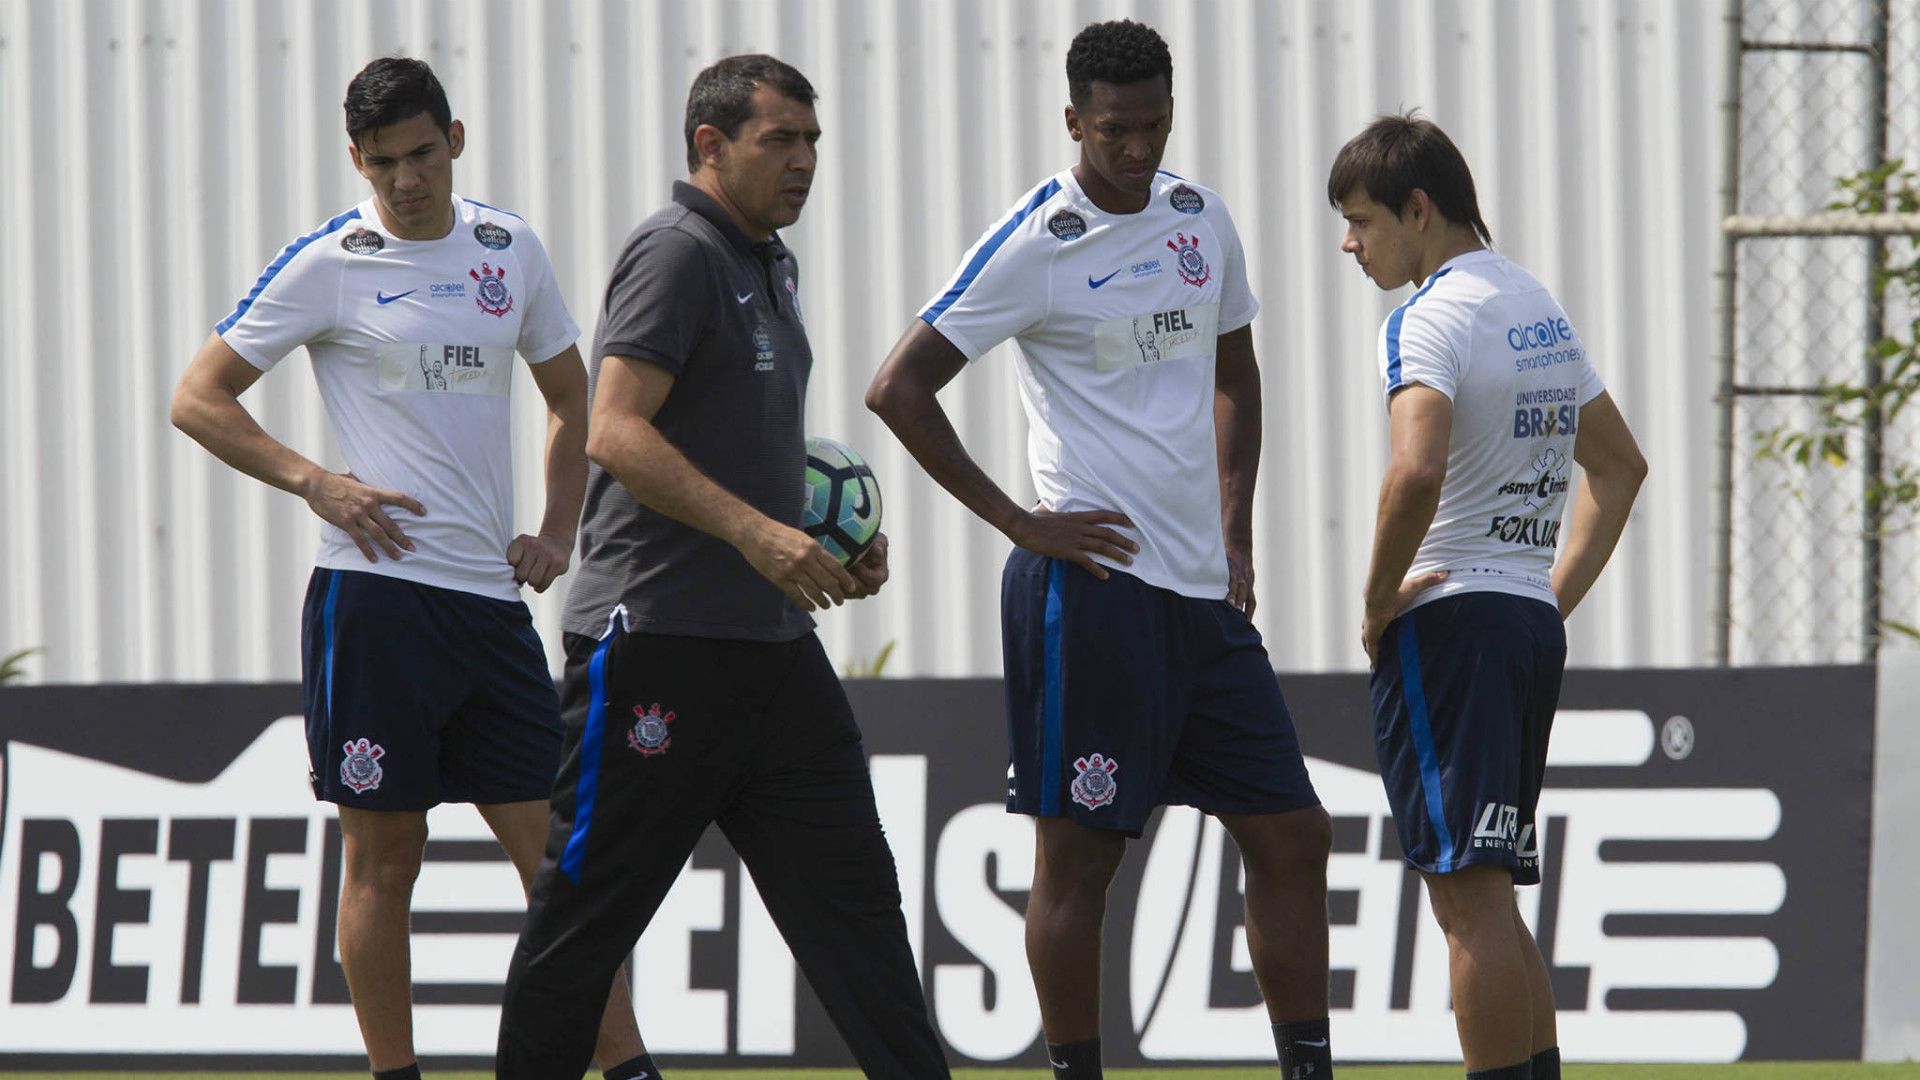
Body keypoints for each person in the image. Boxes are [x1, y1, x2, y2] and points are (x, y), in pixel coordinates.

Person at [867, 19, 1334, 1080]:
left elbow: (1238, 378)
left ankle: (1309, 1068)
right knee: (1079, 863)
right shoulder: (1037, 242)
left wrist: (1235, 525)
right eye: (1115, 129)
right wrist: (1023, 522)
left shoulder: (1199, 220)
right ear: (1073, 121)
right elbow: (897, 388)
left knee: (1295, 834)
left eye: (1154, 125)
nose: (1137, 148)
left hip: (1201, 599)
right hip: (1091, 591)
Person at [168, 57, 647, 1080]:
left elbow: (573, 400)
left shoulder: (506, 248)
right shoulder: (328, 261)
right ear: (357, 160)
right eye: (383, 163)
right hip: (375, 603)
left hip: (486, 605)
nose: (407, 180)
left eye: (422, 154)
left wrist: (558, 528)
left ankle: (628, 1066)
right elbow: (198, 398)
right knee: (386, 861)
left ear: (456, 140)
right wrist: (314, 482)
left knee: (561, 871)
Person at [494, 54, 951, 1080]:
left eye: (812, 142)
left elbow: (737, 442)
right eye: (778, 140)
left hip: (773, 654)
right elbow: (613, 431)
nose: (803, 162)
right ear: (710, 145)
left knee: (860, 918)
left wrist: (825, 541)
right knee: (583, 926)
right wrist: (758, 534)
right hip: (658, 646)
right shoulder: (676, 252)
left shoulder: (768, 261)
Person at [1328, 112, 1647, 1080]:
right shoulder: (1534, 303)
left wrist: (1376, 601)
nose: (1351, 243)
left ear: (1418, 210)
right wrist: (1545, 598)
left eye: (1362, 220)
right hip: (1518, 624)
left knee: (1466, 906)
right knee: (1495, 897)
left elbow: (1414, 470)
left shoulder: (1425, 318)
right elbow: (1622, 468)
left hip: (1452, 627)